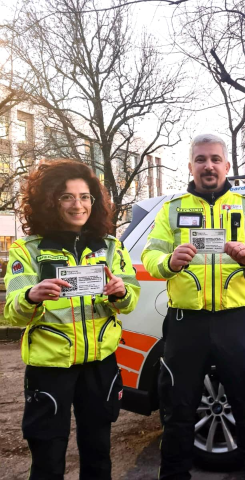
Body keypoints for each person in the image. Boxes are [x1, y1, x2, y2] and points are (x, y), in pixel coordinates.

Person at [142, 134, 245, 480]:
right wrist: (169, 263)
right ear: (190, 166)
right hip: (187, 324)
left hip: (236, 322)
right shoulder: (172, 210)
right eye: (201, 159)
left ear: (226, 165)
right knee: (177, 413)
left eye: (215, 159)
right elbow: (150, 255)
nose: (208, 166)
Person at [3, 160, 140, 480]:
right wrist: (31, 296)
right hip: (50, 368)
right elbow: (12, 311)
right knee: (47, 458)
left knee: (98, 456)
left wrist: (120, 292)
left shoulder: (111, 247)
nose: (78, 204)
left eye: (85, 196)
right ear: (49, 200)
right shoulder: (28, 250)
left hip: (100, 365)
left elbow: (131, 300)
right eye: (67, 196)